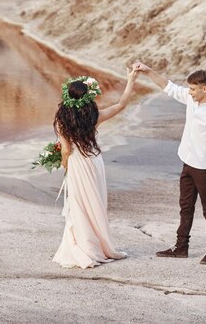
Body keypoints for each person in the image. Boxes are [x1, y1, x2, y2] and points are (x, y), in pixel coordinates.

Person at [133, 63, 206, 264]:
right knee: (185, 207)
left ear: (205, 89)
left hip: (204, 168)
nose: (190, 92)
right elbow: (167, 86)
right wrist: (147, 70)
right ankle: (181, 247)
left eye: (193, 89)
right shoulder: (191, 98)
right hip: (187, 161)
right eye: (189, 89)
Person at [52, 69, 138, 269]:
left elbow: (65, 150)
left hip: (77, 164)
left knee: (80, 205)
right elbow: (121, 104)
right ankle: (102, 245)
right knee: (96, 203)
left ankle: (85, 245)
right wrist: (130, 80)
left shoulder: (61, 121)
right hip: (94, 162)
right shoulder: (94, 116)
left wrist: (64, 164)